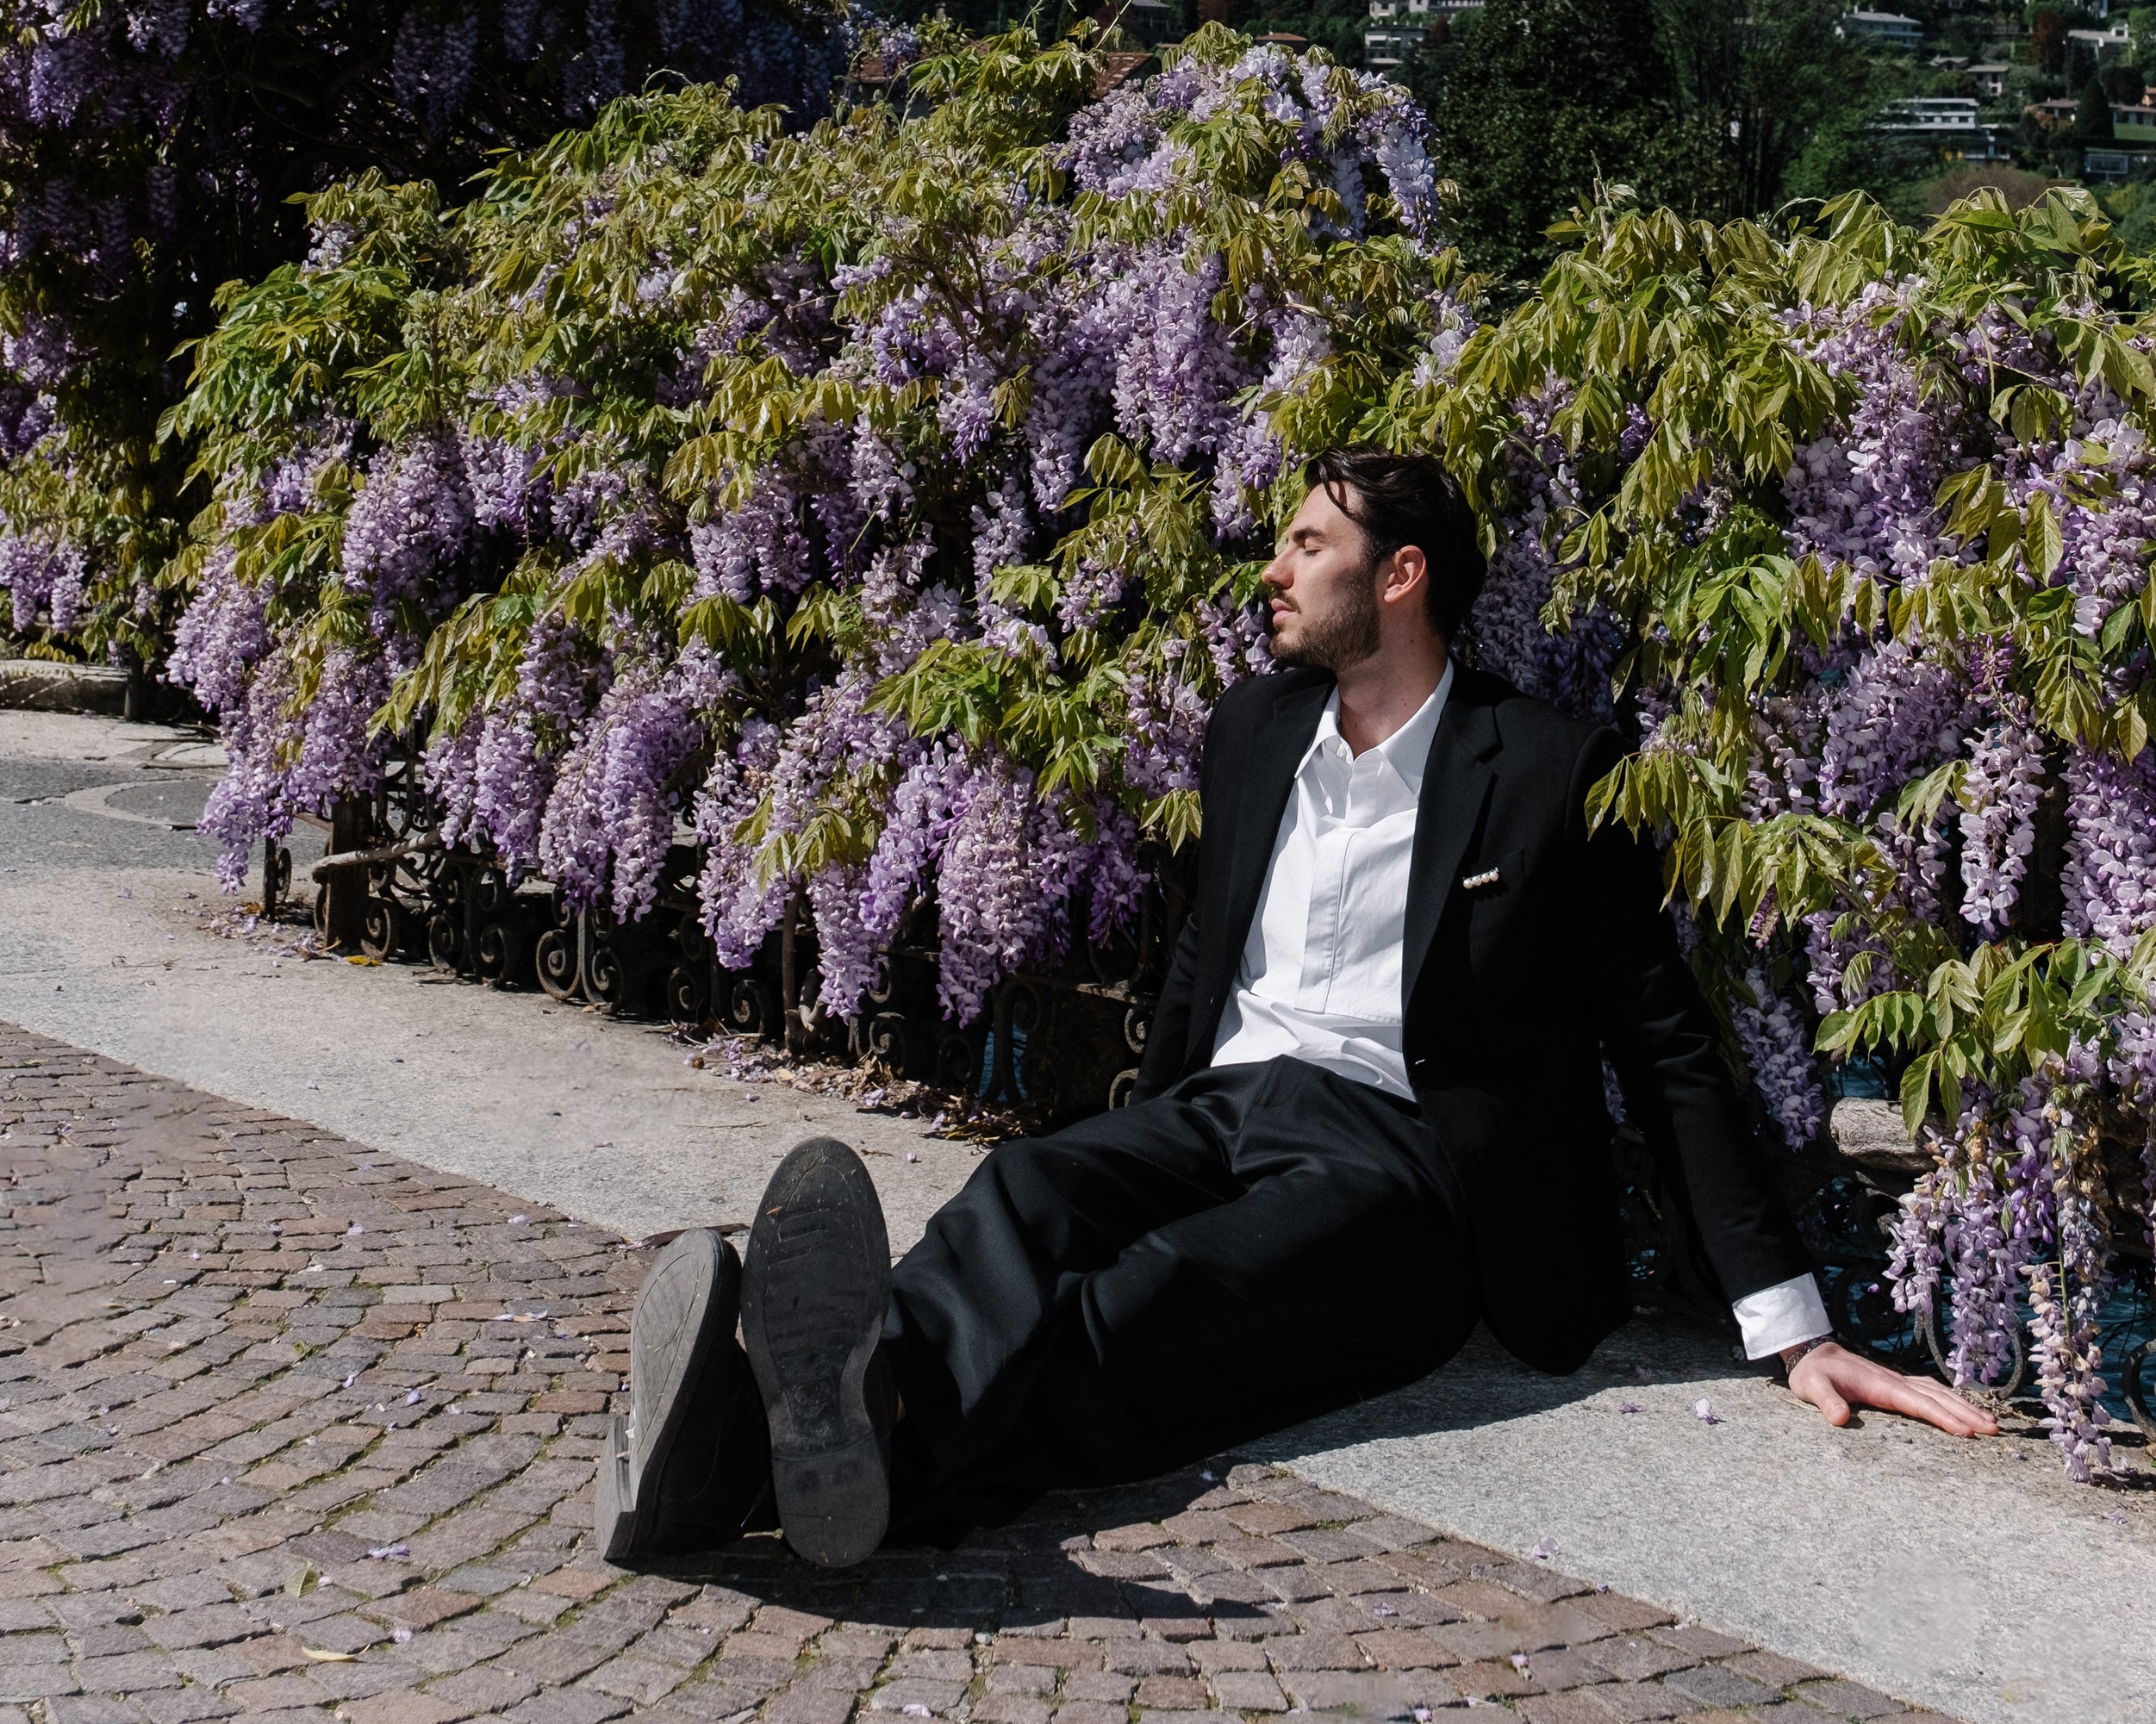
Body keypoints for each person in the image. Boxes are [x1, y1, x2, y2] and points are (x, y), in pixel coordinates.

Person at [598, 447, 1996, 1569]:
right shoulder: (1256, 729)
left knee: (1162, 1295)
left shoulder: (1547, 769)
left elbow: (1667, 1041)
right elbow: (1208, 966)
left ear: (1400, 574)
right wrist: (1138, 1135)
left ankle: (767, 1442)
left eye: (1307, 545)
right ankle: (814, 1440)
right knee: (1027, 1191)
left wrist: (1794, 1322)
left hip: (1402, 1163)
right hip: (1222, 1103)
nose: (1271, 570)